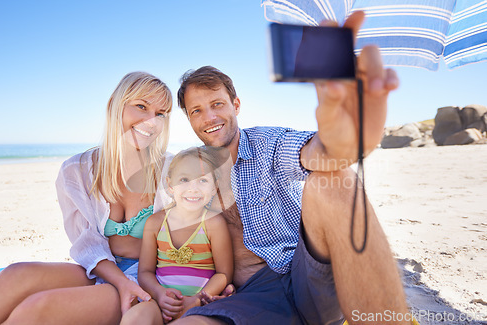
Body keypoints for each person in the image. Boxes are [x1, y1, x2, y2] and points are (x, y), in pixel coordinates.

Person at [171, 11, 412, 325]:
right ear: (189, 119)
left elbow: (322, 153)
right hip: (250, 296)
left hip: (309, 277)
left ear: (236, 105)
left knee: (334, 180)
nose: (209, 117)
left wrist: (350, 136)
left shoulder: (266, 142)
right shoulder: (188, 174)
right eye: (197, 110)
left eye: (217, 104)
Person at [0, 71, 174, 325]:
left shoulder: (173, 171)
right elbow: (88, 245)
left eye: (160, 113)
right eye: (141, 106)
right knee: (16, 275)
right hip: (103, 268)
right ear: (115, 106)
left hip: (153, 277)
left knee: (40, 308)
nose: (151, 121)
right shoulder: (77, 170)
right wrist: (118, 281)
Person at [121, 147, 233, 324]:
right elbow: (145, 272)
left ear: (214, 188)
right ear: (170, 185)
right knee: (134, 318)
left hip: (199, 306)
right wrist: (159, 293)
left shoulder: (213, 224)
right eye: (184, 179)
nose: (193, 188)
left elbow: (224, 274)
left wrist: (197, 300)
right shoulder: (155, 223)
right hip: (160, 302)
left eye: (202, 180)